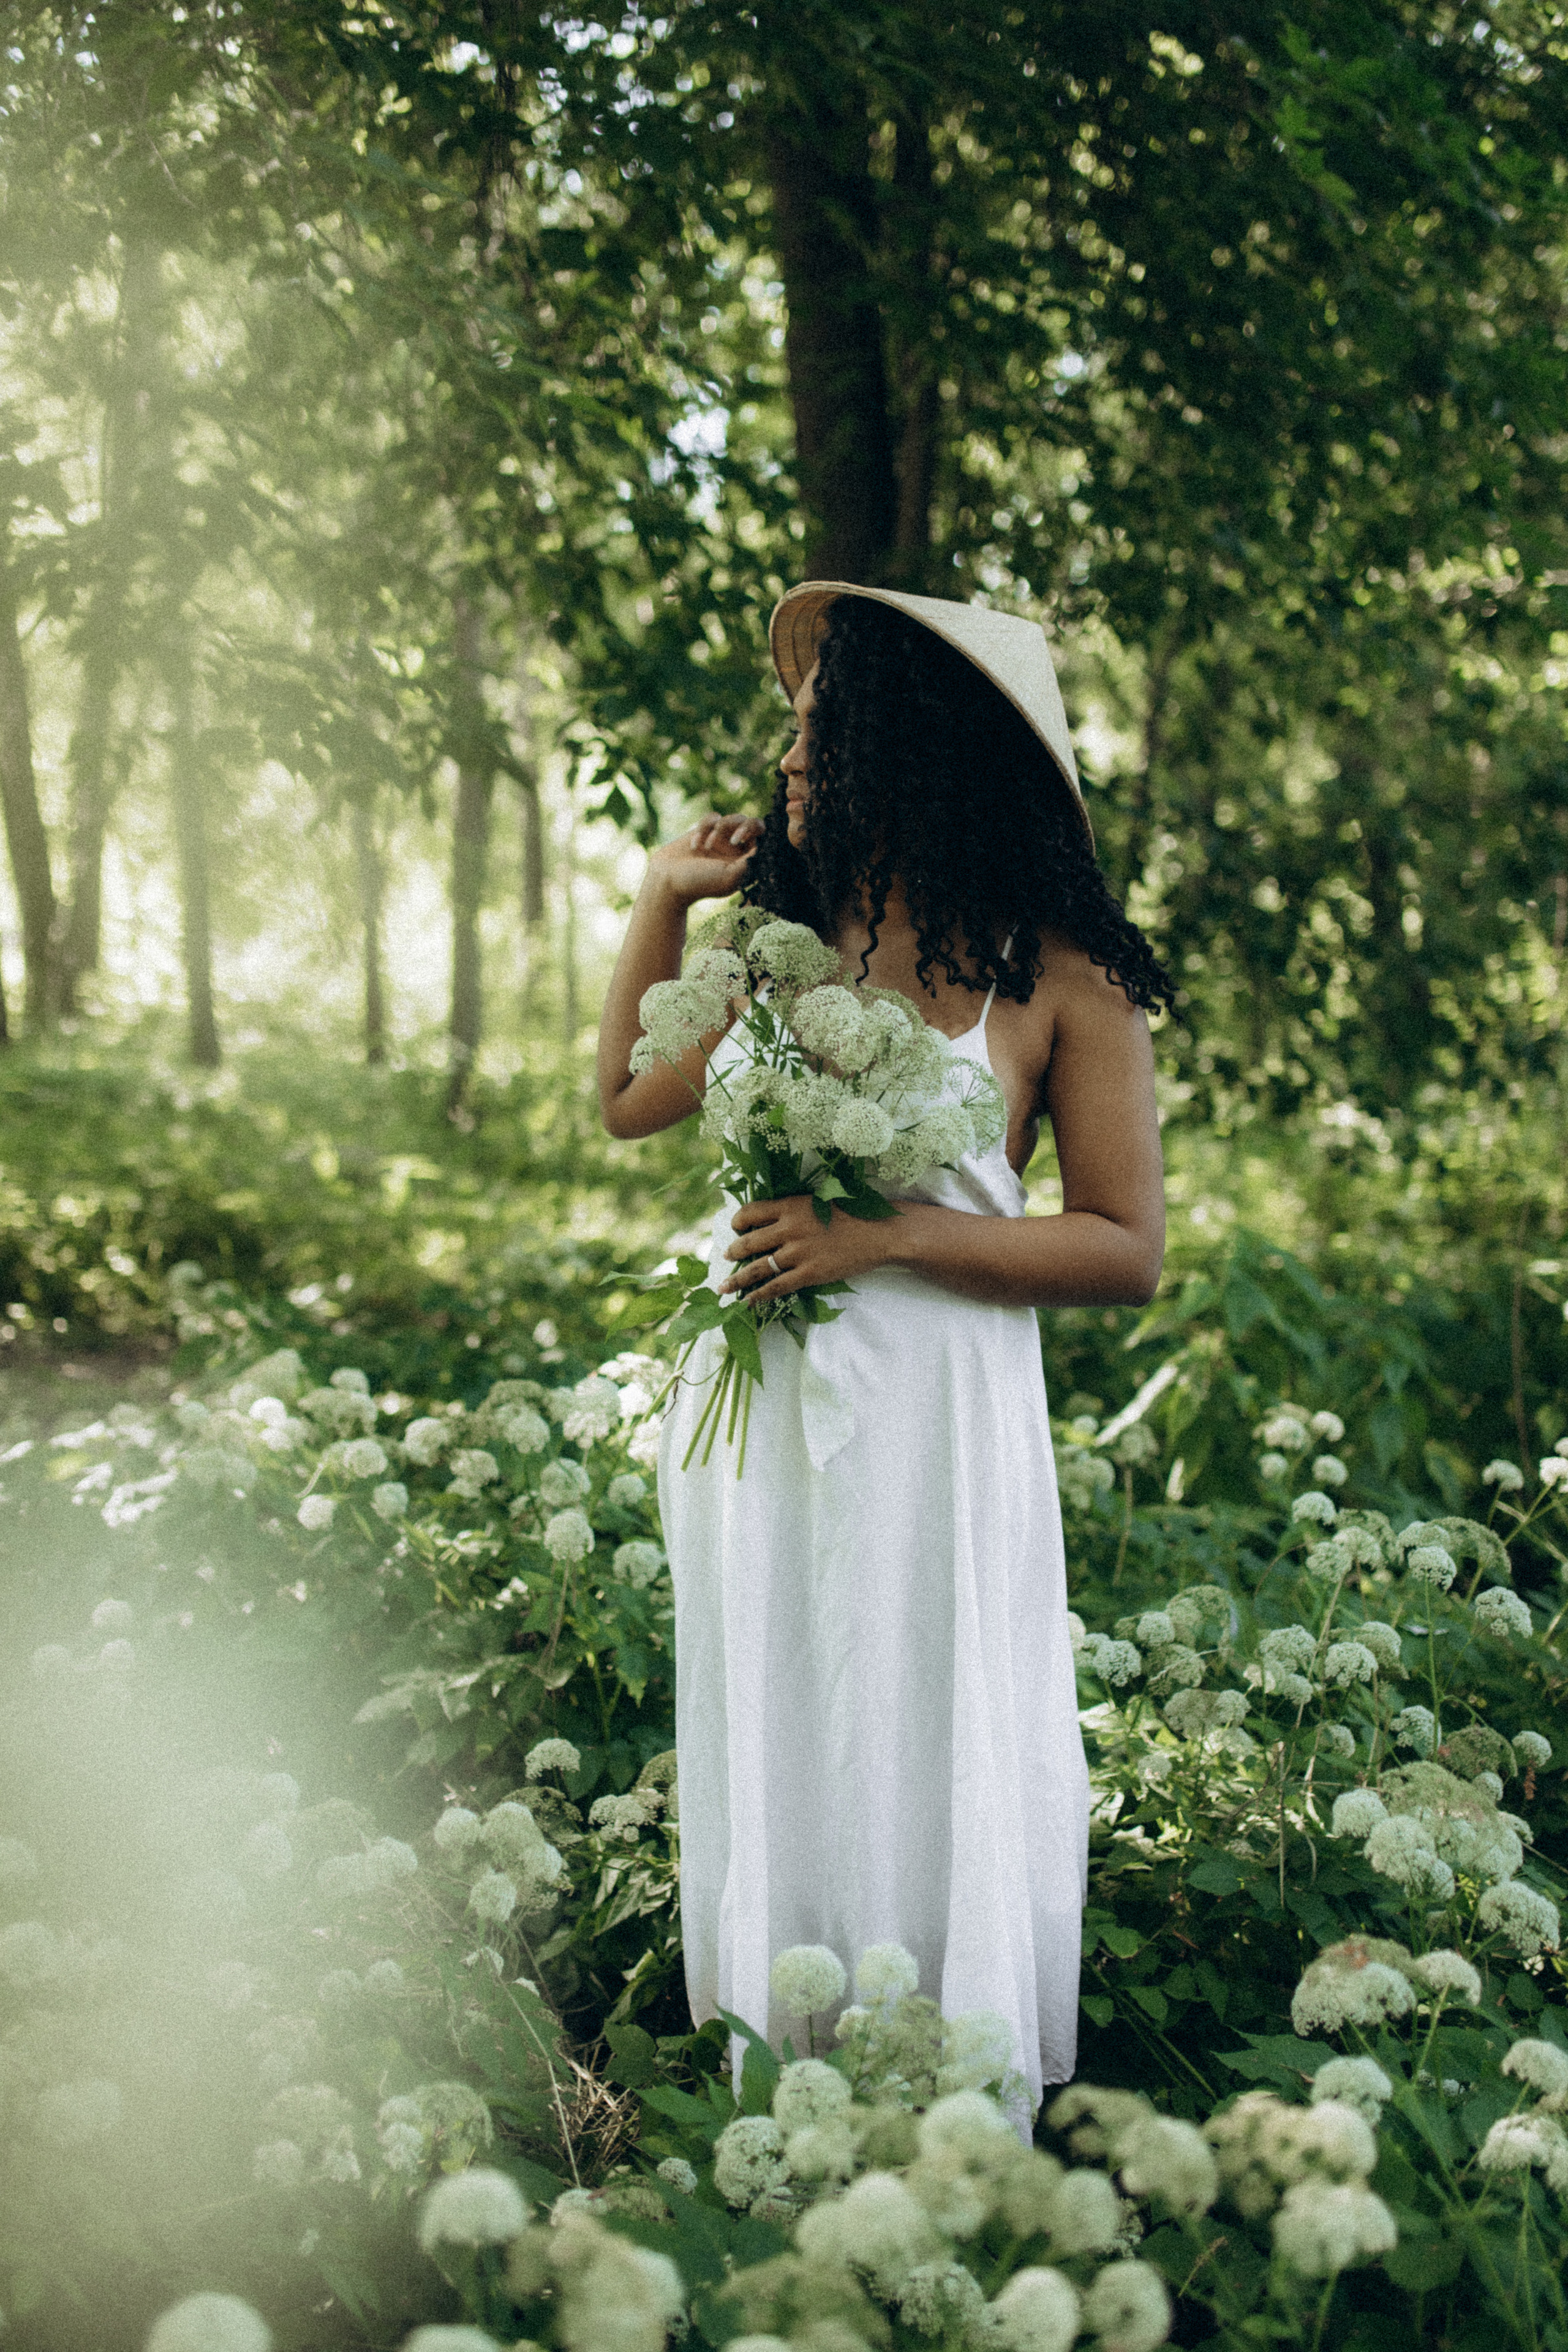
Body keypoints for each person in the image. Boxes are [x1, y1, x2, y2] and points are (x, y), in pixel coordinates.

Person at [597, 583, 1171, 2117]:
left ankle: (947, 2080)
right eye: (793, 735)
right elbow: (630, 1101)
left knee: (921, 1706)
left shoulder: (1061, 979)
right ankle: (781, 2070)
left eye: (819, 734)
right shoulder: (784, 945)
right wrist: (665, 901)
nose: (791, 765)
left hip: (940, 1414)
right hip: (771, 1410)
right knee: (791, 1693)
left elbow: (1121, 1245)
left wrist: (889, 1237)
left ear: (914, 752)